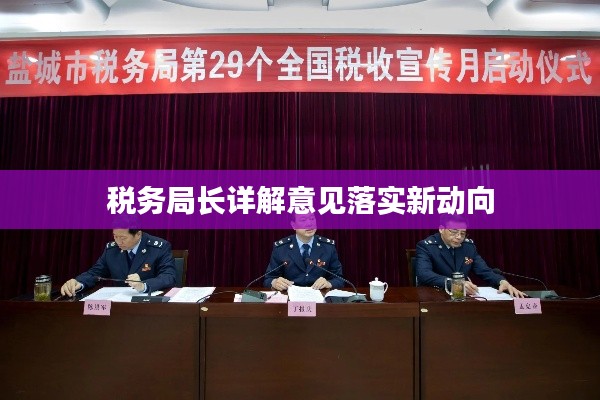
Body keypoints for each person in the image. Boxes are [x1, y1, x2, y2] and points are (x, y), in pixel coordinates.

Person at [415, 214, 525, 297]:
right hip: (434, 296)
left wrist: (501, 281)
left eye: (462, 233)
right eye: (454, 232)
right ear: (441, 229)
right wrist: (455, 284)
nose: (459, 237)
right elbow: (424, 274)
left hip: (462, 297)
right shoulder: (426, 246)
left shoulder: (468, 247)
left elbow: (483, 270)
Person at [60, 229, 176, 297]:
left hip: (149, 306)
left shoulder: (159, 247)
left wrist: (144, 285)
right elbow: (95, 273)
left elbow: (169, 276)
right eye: (115, 236)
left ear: (138, 234)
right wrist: (79, 282)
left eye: (123, 238)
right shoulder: (112, 250)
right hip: (119, 306)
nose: (118, 242)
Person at [264, 212, 345, 290]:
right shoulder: (281, 248)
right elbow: (268, 279)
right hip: (290, 296)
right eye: (303, 220)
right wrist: (274, 282)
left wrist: (328, 283)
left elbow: (339, 279)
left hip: (319, 296)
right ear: (293, 225)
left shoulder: (328, 247)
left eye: (312, 219)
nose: (309, 224)